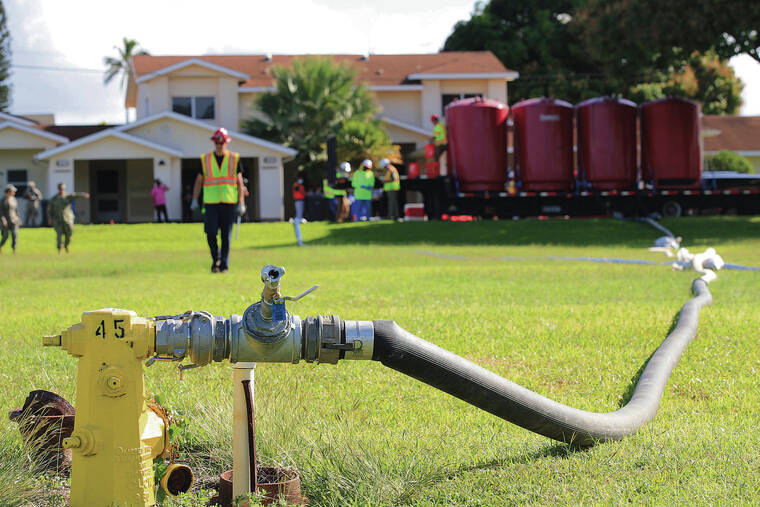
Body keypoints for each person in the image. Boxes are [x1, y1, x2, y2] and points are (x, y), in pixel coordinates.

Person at [190, 127, 246, 273]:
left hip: (228, 203)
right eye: (217, 143)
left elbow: (240, 183)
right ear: (214, 143)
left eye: (221, 142)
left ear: (226, 142)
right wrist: (195, 199)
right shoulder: (205, 159)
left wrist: (241, 203)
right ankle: (216, 259)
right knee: (210, 233)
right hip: (211, 203)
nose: (219, 145)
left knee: (226, 236)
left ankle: (224, 265)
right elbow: (198, 181)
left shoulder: (234, 159)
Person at [47, 182, 89, 254]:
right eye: (60, 189)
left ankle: (66, 245)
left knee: (69, 234)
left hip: (68, 219)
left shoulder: (68, 196)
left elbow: (76, 196)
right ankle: (59, 249)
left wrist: (83, 195)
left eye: (63, 189)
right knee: (59, 235)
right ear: (58, 189)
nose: (61, 190)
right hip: (58, 220)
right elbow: (49, 210)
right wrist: (50, 219)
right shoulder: (54, 199)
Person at [1, 184, 20, 254]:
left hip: (14, 220)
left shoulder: (14, 200)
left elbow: (16, 210)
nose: (14, 193)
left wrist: (19, 219)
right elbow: (1, 212)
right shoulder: (3, 200)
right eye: (13, 191)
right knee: (5, 236)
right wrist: (3, 220)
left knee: (15, 234)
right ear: (9, 191)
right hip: (5, 221)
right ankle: (0, 246)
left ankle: (14, 250)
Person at [292, 172, 306, 246]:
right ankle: (296, 221)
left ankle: (298, 220)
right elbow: (299, 191)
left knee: (300, 214)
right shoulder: (296, 185)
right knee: (298, 213)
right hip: (298, 201)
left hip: (301, 200)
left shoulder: (300, 185)